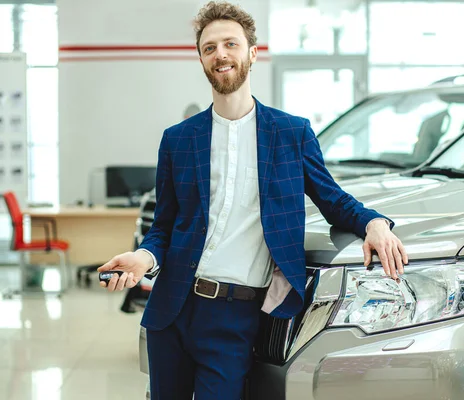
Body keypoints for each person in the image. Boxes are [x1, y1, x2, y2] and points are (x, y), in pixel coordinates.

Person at [98, 2, 408, 399]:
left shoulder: (291, 133)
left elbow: (333, 200)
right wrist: (144, 257)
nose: (220, 54)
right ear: (201, 59)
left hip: (235, 315)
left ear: (251, 53)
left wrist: (374, 223)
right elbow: (165, 227)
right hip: (171, 307)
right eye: (209, 48)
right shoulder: (178, 139)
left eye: (230, 44)